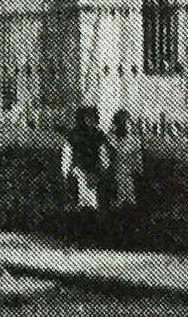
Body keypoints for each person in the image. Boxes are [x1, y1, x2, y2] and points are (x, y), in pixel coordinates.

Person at [56, 105, 108, 241]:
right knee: (78, 205)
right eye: (88, 118)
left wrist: (102, 170)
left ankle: (89, 237)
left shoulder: (98, 135)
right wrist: (66, 173)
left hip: (93, 173)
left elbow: (103, 155)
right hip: (78, 173)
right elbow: (67, 155)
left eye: (93, 118)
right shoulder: (74, 135)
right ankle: (77, 236)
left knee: (92, 206)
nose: (91, 121)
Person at [105, 108, 145, 244]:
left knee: (129, 204)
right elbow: (106, 158)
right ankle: (116, 236)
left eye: (127, 122)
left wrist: (138, 172)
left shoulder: (133, 140)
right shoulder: (111, 139)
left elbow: (138, 160)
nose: (126, 125)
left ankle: (129, 236)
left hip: (128, 176)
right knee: (116, 204)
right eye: (123, 123)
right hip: (115, 175)